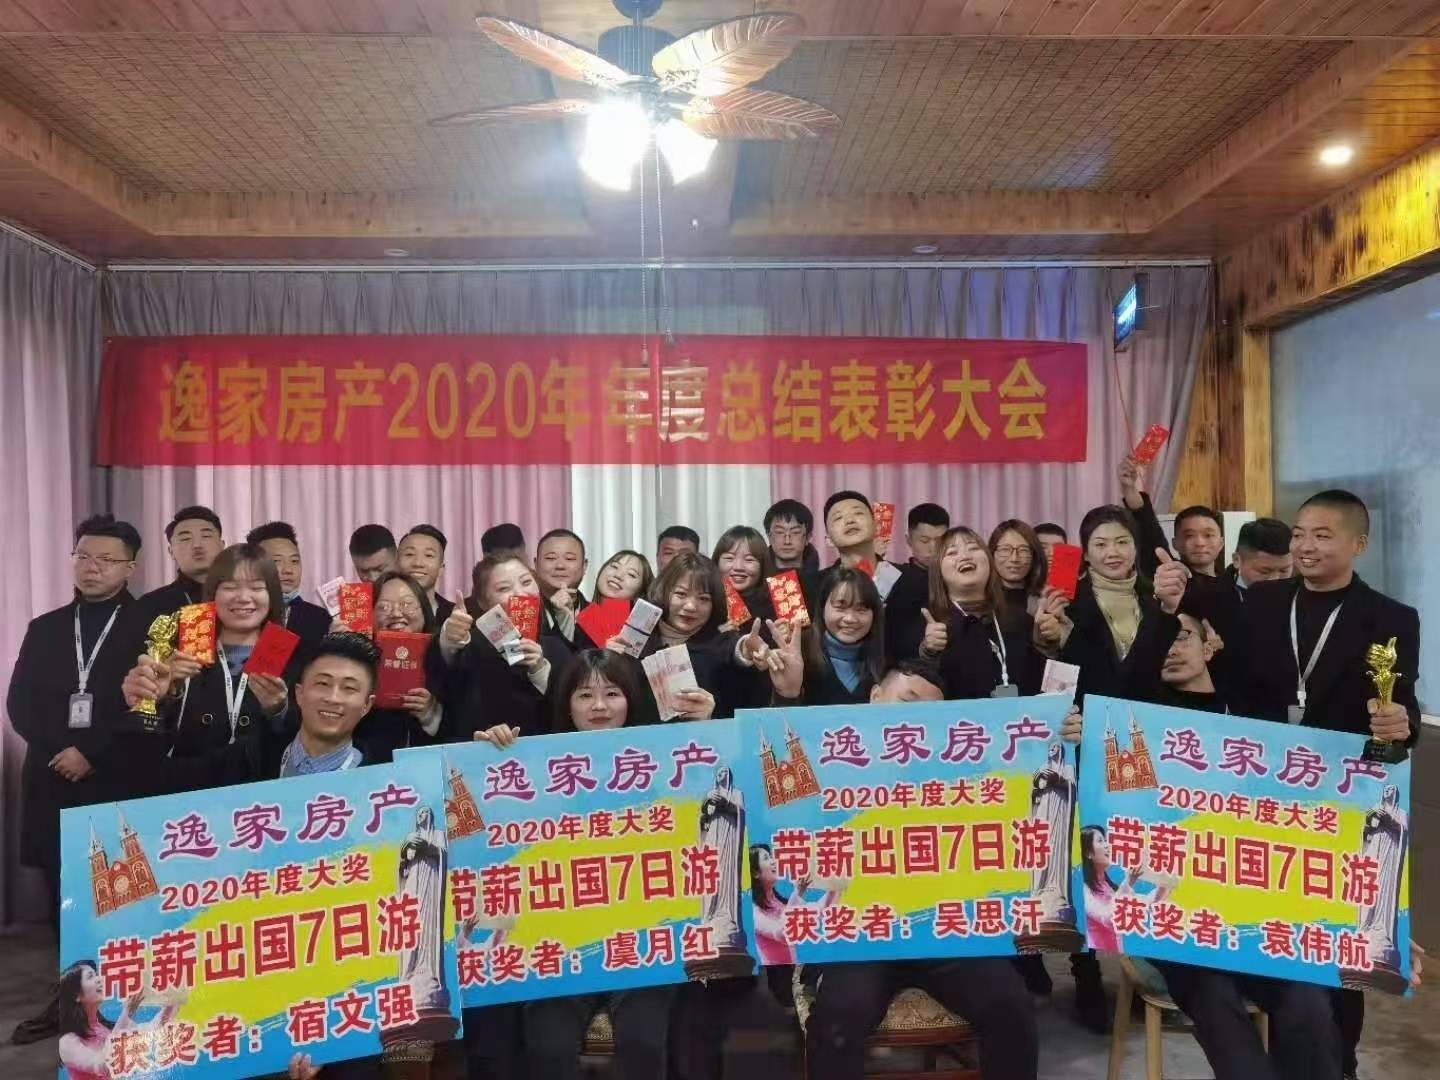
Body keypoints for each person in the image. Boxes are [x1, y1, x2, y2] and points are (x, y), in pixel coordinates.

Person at [799, 661, 1036, 1080]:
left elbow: (1019, 793)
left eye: (929, 714)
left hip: (943, 929)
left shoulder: (958, 773)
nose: (915, 721)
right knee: (839, 1017)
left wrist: (1056, 739)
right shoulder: (827, 763)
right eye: (905, 703)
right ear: (875, 697)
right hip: (861, 935)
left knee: (1010, 1005)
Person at [473, 649, 702, 1080]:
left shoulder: (662, 760)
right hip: (560, 941)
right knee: (547, 1044)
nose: (599, 706)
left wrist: (706, 730)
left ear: (631, 700)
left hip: (641, 937)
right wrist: (488, 758)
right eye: (584, 695)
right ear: (566, 704)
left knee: (643, 1040)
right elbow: (488, 833)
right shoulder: (532, 765)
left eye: (612, 693)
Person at [7, 515, 140, 1045]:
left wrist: (91, 751)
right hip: (51, 777)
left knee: (116, 898)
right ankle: (67, 1004)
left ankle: (117, 1004)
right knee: (61, 898)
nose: (92, 568)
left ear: (130, 567)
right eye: (83, 556)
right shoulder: (46, 627)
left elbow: (150, 707)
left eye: (106, 559)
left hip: (116, 781)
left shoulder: (148, 625)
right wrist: (60, 749)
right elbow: (19, 702)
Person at [118, 543, 300, 795]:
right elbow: (140, 752)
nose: (243, 597)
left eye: (257, 587)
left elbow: (306, 741)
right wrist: (156, 699)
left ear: (272, 595)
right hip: (188, 796)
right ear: (213, 594)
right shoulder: (179, 652)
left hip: (264, 797)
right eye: (230, 587)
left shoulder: (294, 653)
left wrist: (278, 712)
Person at [438, 555, 570, 740]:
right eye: (504, 588)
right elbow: (453, 694)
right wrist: (450, 639)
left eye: (526, 582)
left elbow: (568, 713)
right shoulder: (472, 648)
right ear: (483, 603)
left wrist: (539, 670)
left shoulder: (556, 648)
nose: (520, 593)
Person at [1039, 504, 1159, 706]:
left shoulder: (1156, 599)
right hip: (1088, 716)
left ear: (1136, 547)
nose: (1112, 553)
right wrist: (1055, 639)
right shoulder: (1065, 603)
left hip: (1148, 716)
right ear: (1085, 554)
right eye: (1101, 545)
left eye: (1122, 542)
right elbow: (1057, 686)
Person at [622, 552, 761, 724]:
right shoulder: (637, 634)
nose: (690, 606)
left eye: (703, 599)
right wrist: (613, 659)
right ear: (664, 591)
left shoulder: (721, 642)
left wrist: (745, 651)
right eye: (681, 594)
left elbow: (735, 650)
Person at [912, 526, 1042, 699]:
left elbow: (1043, 686)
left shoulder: (1018, 619)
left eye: (973, 548)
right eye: (952, 552)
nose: (965, 556)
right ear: (938, 571)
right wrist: (929, 651)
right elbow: (915, 691)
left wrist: (1050, 643)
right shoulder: (930, 624)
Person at [757, 567, 885, 706]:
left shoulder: (885, 659)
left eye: (861, 609)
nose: (850, 618)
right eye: (840, 607)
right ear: (823, 607)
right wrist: (788, 693)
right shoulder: (799, 651)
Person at [357, 571, 444, 762]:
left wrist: (431, 715)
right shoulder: (359, 660)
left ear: (424, 610)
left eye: (407, 604)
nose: (396, 613)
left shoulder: (444, 657)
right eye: (384, 607)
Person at [57, 961, 178, 1080]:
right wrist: (128, 1012)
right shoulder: (66, 1042)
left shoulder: (107, 1029)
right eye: (90, 976)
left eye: (96, 974)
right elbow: (104, 1065)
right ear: (76, 995)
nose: (99, 979)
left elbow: (152, 1032)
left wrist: (172, 1002)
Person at [882, 503, 949, 666]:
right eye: (924, 540)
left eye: (941, 540)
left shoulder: (955, 577)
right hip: (900, 668)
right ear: (909, 540)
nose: (933, 548)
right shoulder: (888, 572)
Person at [246, 521, 331, 643]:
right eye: (276, 561)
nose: (288, 570)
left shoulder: (321, 618)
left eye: (294, 561)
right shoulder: (240, 613)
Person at [713, 525, 777, 629]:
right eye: (729, 558)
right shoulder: (705, 601)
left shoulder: (781, 597)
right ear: (717, 561)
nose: (738, 567)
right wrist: (719, 634)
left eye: (749, 560)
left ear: (763, 565)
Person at [989, 519, 1047, 631]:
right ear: (992, 553)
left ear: (1034, 556)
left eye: (1024, 550)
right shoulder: (981, 598)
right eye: (1005, 550)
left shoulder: (1043, 599)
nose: (1014, 559)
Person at [398, 523, 453, 623]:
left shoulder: (456, 617)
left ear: (441, 569)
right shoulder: (374, 611)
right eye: (409, 554)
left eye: (429, 555)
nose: (418, 563)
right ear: (396, 563)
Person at [1227, 517, 1293, 597]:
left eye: (1284, 571)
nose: (1275, 580)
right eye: (1264, 572)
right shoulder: (1215, 597)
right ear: (1237, 560)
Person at [536, 528, 588, 628]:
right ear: (536, 564)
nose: (560, 566)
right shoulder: (521, 614)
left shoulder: (600, 617)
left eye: (569, 558)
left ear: (584, 566)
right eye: (551, 558)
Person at [822, 490, 877, 570]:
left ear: (876, 526)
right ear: (829, 539)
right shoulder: (816, 578)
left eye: (858, 513)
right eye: (838, 517)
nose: (850, 520)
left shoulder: (896, 574)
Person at [764, 499, 819, 573]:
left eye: (795, 532)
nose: (787, 541)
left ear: (807, 538)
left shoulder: (824, 578)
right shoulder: (756, 577)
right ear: (769, 536)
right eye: (780, 532)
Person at [1172, 505, 1226, 577]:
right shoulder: (1166, 581)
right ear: (1175, 544)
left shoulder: (1231, 582)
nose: (1200, 543)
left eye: (1208, 535)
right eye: (1190, 535)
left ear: (1221, 543)